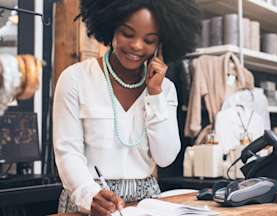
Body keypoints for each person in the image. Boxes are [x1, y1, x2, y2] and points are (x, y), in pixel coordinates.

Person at [53, 0, 201, 215]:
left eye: (149, 40)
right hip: (91, 198)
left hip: (146, 203)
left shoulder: (164, 89)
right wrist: (89, 194)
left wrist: (155, 95)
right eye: (127, 34)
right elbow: (68, 151)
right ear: (111, 26)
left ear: (161, 43)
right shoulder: (75, 79)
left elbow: (165, 157)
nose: (137, 46)